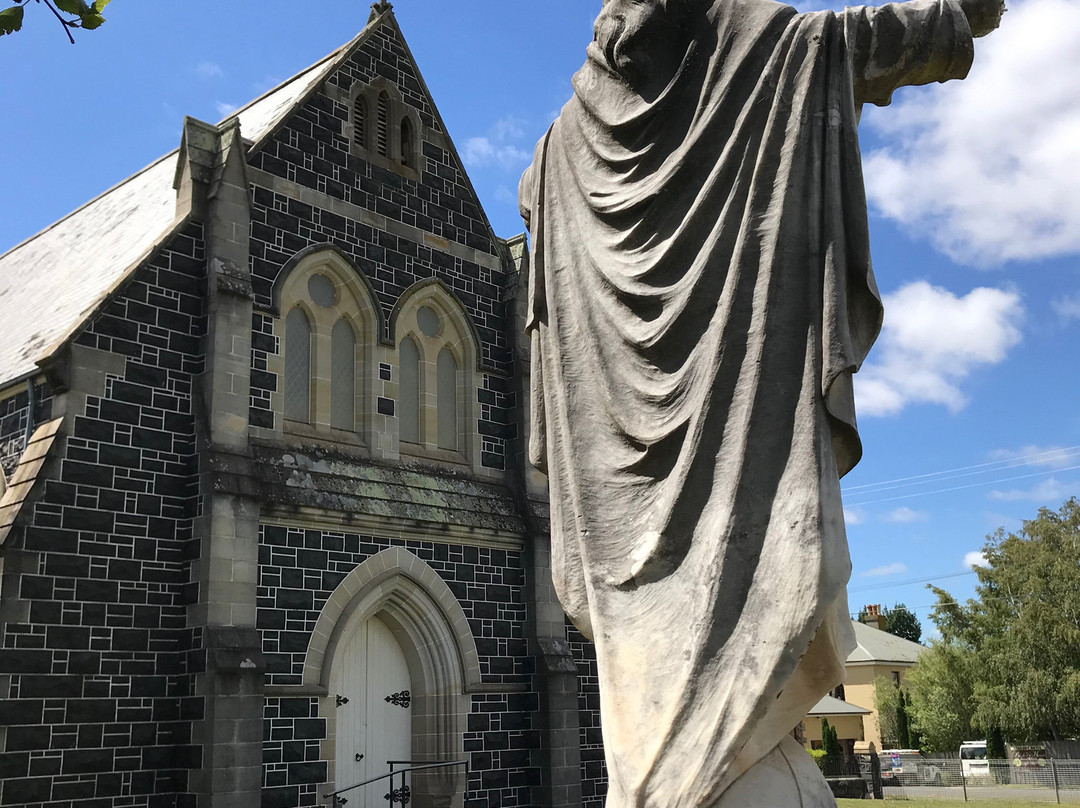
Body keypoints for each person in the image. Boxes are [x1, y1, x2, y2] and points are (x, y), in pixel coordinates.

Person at [518, 0, 1001, 805]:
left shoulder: (743, 61)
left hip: (722, 472)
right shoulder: (568, 147)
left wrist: (950, 16)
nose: (615, 15)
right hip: (623, 514)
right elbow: (866, 36)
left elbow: (859, 37)